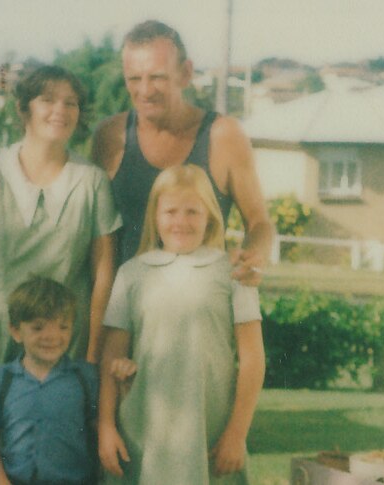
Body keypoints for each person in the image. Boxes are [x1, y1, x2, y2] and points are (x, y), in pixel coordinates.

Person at [0, 65, 121, 481]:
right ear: (24, 109)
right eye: (48, 100)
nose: (60, 110)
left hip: (63, 346)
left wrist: (90, 358)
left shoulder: (91, 183)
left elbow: (103, 277)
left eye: (71, 102)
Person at [98, 165, 266, 484]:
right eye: (171, 211)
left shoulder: (234, 274)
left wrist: (236, 433)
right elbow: (111, 357)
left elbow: (253, 359)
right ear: (155, 216)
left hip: (210, 427)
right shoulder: (131, 273)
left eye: (192, 211)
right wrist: (106, 426)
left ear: (210, 217)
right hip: (144, 427)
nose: (181, 221)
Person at [91, 20, 272, 284]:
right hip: (126, 314)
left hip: (200, 305)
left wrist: (254, 259)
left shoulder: (223, 136)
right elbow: (97, 240)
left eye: (157, 77)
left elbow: (259, 222)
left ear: (185, 73)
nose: (145, 90)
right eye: (134, 79)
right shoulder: (110, 136)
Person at [0, 276, 98, 485]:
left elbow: (102, 432)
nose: (51, 336)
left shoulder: (86, 378)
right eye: (38, 327)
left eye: (63, 327)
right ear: (16, 331)